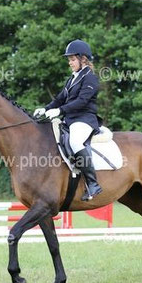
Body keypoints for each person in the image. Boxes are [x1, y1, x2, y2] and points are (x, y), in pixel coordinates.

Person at [34, 39, 102, 201]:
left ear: (83, 59)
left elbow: (82, 101)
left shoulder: (90, 78)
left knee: (75, 142)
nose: (70, 63)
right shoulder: (72, 79)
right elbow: (60, 99)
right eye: (69, 60)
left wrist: (60, 111)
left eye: (72, 59)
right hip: (70, 119)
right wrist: (46, 109)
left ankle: (93, 183)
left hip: (85, 119)